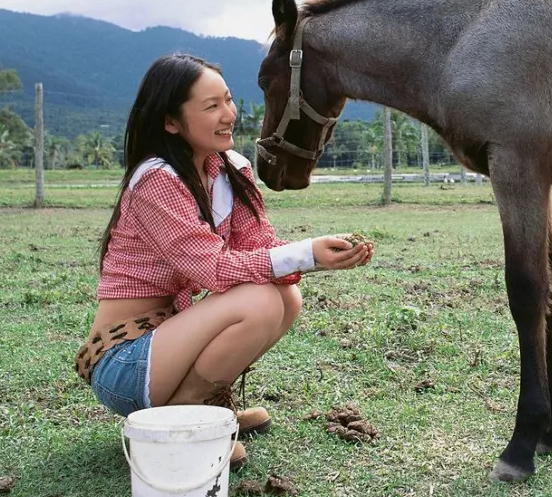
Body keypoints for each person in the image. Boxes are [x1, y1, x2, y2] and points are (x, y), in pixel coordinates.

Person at [74, 53, 372, 468]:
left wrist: (320, 256)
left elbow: (260, 247)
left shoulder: (231, 170)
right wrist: (306, 252)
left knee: (286, 297)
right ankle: (183, 418)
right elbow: (212, 269)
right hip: (126, 361)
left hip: (170, 343)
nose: (228, 114)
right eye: (211, 106)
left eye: (228, 100)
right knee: (260, 300)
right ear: (171, 122)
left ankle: (204, 407)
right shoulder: (156, 180)